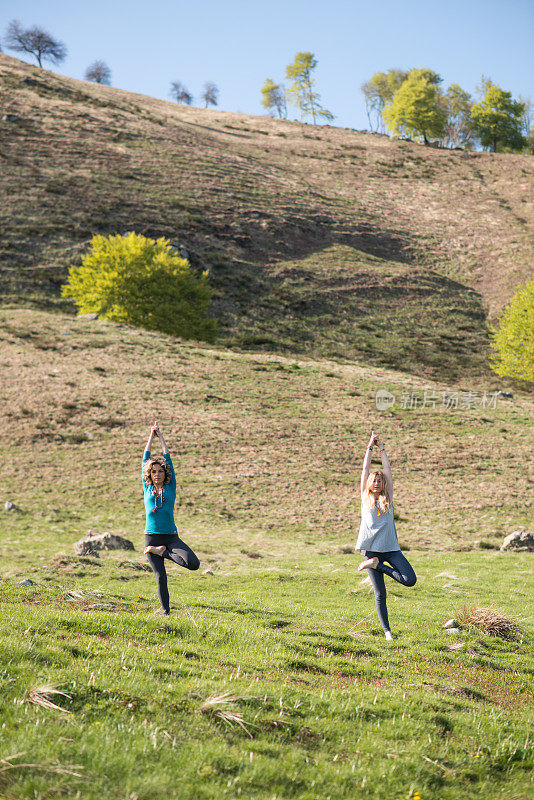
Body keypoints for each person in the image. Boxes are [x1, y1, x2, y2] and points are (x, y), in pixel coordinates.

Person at [355, 430, 416, 640]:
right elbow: (364, 468)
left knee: (410, 580)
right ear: (370, 483)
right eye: (374, 480)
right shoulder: (365, 497)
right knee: (380, 594)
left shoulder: (388, 497)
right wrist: (369, 447)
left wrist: (382, 448)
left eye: (380, 481)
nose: (377, 483)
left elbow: (388, 469)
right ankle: (387, 632)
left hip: (390, 550)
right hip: (372, 549)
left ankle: (375, 565)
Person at [142, 421, 199, 615]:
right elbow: (145, 457)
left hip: (170, 538)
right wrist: (151, 435)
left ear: (165, 473)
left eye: (160, 471)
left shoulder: (170, 487)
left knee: (193, 564)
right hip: (151, 537)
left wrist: (161, 436)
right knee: (161, 576)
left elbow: (168, 457)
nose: (157, 474)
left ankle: (162, 552)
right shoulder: (147, 487)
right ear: (149, 474)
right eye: (153, 471)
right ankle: (166, 612)